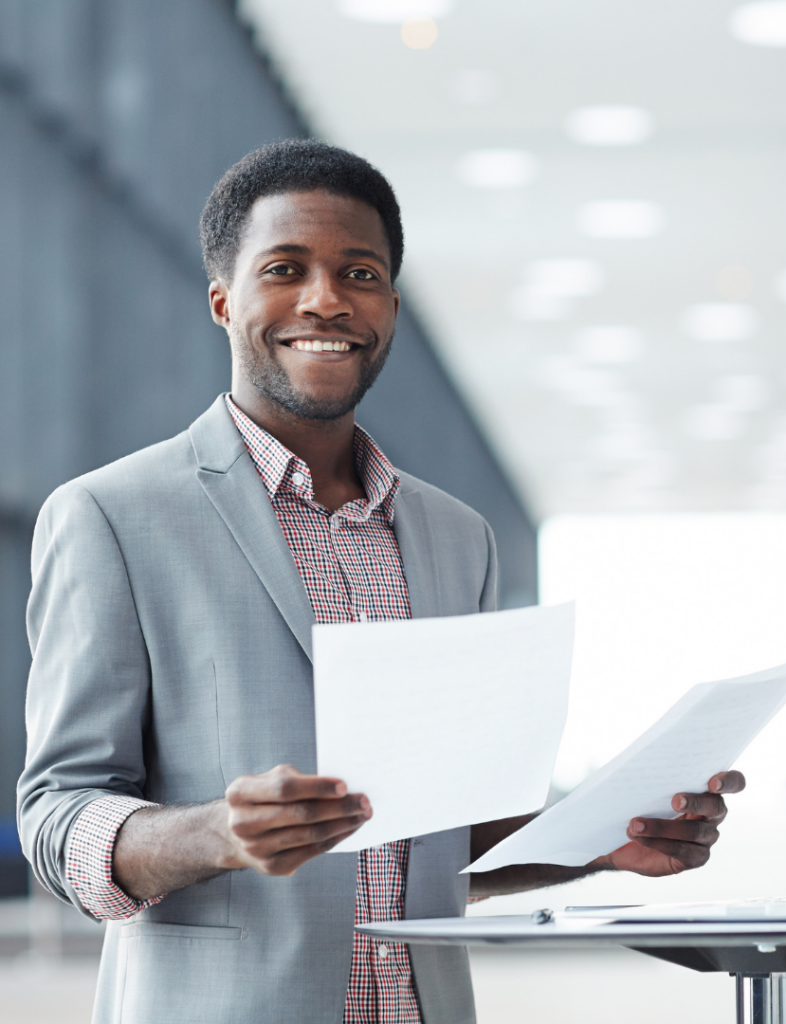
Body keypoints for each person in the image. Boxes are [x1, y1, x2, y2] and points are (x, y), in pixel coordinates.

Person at [17, 140, 745, 1024]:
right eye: (285, 269)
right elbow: (55, 819)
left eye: (358, 273)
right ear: (222, 300)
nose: (327, 299)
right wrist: (215, 832)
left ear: (390, 307)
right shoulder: (111, 517)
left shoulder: (456, 537)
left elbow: (443, 847)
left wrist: (606, 840)